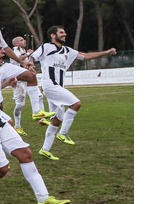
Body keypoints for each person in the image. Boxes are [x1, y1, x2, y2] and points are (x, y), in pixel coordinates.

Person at [0, 38, 70, 204]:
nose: (3, 52)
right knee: (2, 169)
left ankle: (43, 199)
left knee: (25, 154)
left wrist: (7, 83)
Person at [28, 25, 116, 161]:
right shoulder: (46, 47)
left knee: (56, 120)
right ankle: (63, 133)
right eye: (61, 32)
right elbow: (32, 56)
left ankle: (45, 150)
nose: (65, 34)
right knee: (76, 104)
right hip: (50, 85)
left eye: (64, 32)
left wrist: (106, 52)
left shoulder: (68, 51)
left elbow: (86, 56)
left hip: (57, 87)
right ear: (53, 35)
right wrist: (30, 64)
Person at [10, 36, 33, 135]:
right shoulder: (15, 50)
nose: (24, 41)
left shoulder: (22, 50)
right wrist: (28, 53)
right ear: (16, 44)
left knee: (23, 101)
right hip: (18, 79)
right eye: (21, 40)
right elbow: (19, 59)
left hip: (23, 78)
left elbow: (24, 63)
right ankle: (17, 126)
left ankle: (40, 115)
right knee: (20, 103)